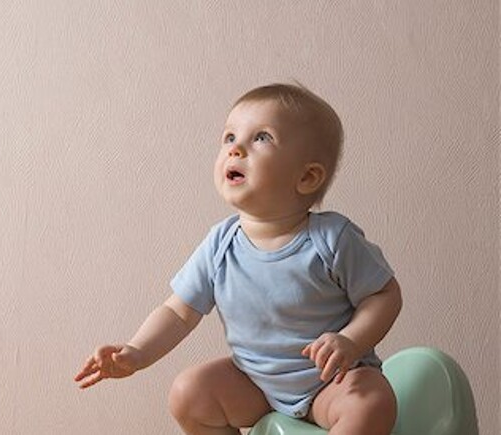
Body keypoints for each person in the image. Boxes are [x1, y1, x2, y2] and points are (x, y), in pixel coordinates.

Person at [74, 83, 403, 435]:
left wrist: (351, 341)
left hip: (331, 382)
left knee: (371, 402)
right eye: (229, 137)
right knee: (188, 394)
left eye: (261, 138)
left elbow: (384, 295)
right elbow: (178, 312)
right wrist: (137, 352)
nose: (236, 149)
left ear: (307, 177)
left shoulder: (331, 239)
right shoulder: (221, 243)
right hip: (256, 384)